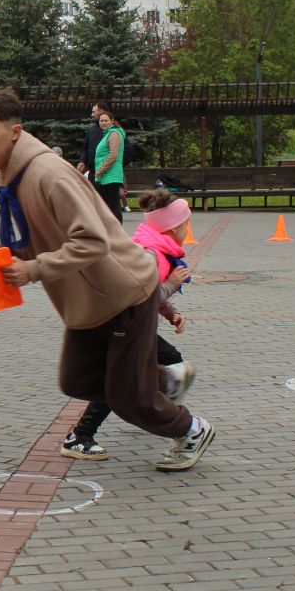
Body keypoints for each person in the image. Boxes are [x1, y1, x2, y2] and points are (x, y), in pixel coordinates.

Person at [0, 89, 217, 471]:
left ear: (15, 131)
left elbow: (92, 242)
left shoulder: (47, 175)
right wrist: (7, 254)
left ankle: (191, 429)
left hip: (122, 293)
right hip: (87, 300)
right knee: (76, 380)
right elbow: (46, 239)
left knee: (128, 400)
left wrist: (32, 269)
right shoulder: (13, 178)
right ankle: (158, 382)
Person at [62, 189, 199, 460]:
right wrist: (172, 285)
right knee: (126, 382)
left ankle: (148, 409)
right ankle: (80, 435)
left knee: (168, 366)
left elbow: (147, 292)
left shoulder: (157, 248)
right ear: (172, 227)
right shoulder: (151, 254)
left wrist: (170, 313)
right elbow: (141, 296)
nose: (188, 229)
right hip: (121, 326)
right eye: (186, 224)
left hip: (129, 324)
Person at [91, 105, 127, 221]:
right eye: (101, 121)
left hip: (110, 176)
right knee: (107, 206)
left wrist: (100, 171)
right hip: (105, 176)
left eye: (106, 120)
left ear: (112, 121)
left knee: (113, 206)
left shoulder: (114, 134)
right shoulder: (107, 134)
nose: (103, 123)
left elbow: (113, 156)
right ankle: (111, 232)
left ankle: (117, 233)